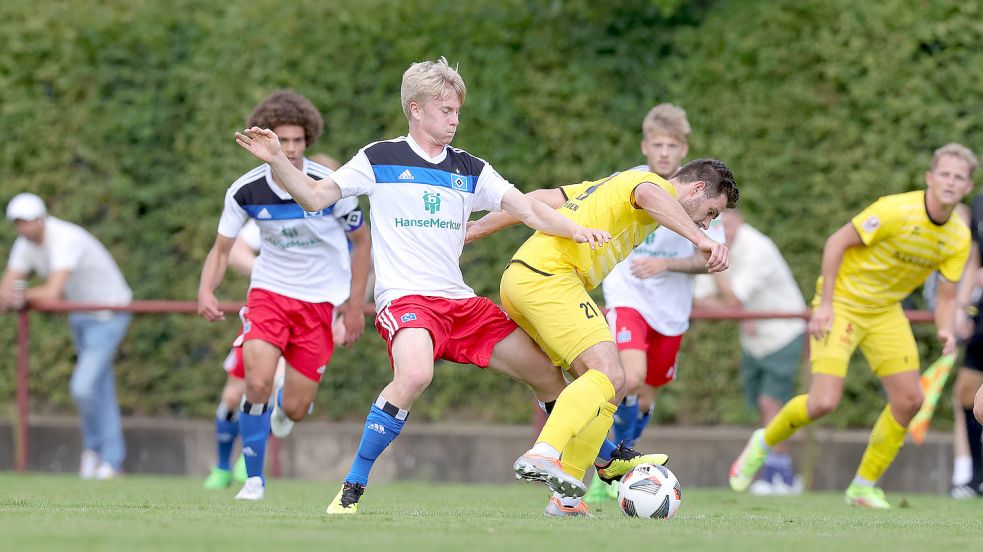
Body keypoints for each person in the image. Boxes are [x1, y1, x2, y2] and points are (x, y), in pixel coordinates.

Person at [234, 57, 634, 517]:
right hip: (405, 299)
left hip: (459, 302)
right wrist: (279, 162)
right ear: (415, 109)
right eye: (446, 110)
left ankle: (581, 480)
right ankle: (351, 489)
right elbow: (314, 195)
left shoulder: (471, 168)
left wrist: (574, 230)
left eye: (458, 111)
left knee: (547, 374)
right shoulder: (379, 158)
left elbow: (527, 208)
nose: (455, 120)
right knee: (415, 375)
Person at [468, 158, 738, 514]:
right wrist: (700, 239)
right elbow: (650, 193)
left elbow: (537, 199)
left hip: (520, 279)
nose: (707, 221)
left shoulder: (607, 185)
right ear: (698, 188)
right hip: (551, 278)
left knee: (608, 383)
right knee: (610, 375)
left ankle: (568, 498)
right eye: (711, 212)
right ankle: (544, 452)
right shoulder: (649, 184)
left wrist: (475, 230)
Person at [729, 143, 978, 509]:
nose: (951, 181)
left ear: (968, 187)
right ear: (930, 177)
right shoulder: (894, 209)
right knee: (823, 402)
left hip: (885, 312)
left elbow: (945, 297)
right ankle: (763, 442)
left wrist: (944, 328)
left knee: (910, 400)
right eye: (945, 173)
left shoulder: (958, 237)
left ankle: (863, 486)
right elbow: (836, 243)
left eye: (959, 177)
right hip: (843, 303)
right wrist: (825, 304)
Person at [198, 90, 372, 500]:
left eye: (298, 141)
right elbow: (222, 249)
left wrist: (353, 308)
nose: (291, 149)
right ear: (266, 140)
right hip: (269, 295)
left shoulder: (331, 188)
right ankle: (253, 480)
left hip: (319, 305)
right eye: (283, 140)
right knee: (255, 381)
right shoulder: (245, 191)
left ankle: (282, 408)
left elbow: (362, 244)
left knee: (293, 408)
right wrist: (206, 288)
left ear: (308, 139)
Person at [585, 103, 726, 504]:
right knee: (630, 375)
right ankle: (604, 466)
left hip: (670, 313)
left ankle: (620, 459)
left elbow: (710, 257)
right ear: (645, 146)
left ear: (683, 151)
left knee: (647, 395)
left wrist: (667, 263)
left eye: (672, 145)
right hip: (627, 298)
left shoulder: (700, 197)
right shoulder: (628, 182)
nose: (664, 153)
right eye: (657, 144)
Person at [0, 192, 132, 479]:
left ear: (41, 219)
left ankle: (98, 453)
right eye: (17, 223)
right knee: (99, 388)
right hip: (81, 315)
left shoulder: (65, 238)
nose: (23, 229)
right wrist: (8, 295)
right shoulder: (24, 244)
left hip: (110, 313)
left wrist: (16, 296)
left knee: (83, 388)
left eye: (27, 222)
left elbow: (51, 292)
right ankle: (107, 459)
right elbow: (6, 289)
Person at [693, 208, 807, 495]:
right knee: (763, 405)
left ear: (740, 222)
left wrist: (714, 265)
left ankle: (780, 475)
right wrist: (738, 309)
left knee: (772, 404)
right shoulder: (718, 246)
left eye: (726, 225)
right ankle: (779, 471)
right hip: (753, 339)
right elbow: (699, 298)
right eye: (715, 225)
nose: (721, 231)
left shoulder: (758, 247)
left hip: (783, 332)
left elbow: (730, 301)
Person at [951, 194, 983, 498]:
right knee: (970, 397)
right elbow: (974, 258)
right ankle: (976, 475)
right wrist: (961, 306)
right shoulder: (979, 204)